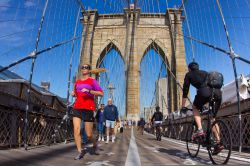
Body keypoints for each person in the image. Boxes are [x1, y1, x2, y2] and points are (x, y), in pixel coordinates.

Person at [181, 62, 223, 154]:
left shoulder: (188, 74)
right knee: (212, 118)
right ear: (197, 68)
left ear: (189, 69)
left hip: (205, 92)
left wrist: (183, 106)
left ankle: (199, 129)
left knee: (195, 107)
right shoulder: (205, 72)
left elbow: (185, 91)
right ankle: (219, 142)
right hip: (218, 93)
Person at [71, 64, 103, 160]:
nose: (84, 69)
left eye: (86, 67)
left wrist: (89, 91)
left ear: (89, 70)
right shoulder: (77, 82)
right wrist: (73, 94)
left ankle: (95, 144)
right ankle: (80, 152)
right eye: (83, 67)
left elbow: (101, 93)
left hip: (88, 108)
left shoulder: (93, 81)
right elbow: (76, 94)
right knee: (76, 130)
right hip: (77, 107)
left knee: (89, 134)